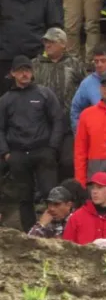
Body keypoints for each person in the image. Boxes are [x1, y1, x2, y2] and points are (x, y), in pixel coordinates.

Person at [0, 55, 64, 232]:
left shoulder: (44, 93)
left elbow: (58, 119)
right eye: (20, 71)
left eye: (27, 70)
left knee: (51, 194)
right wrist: (6, 153)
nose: (24, 74)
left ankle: (56, 230)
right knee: (24, 197)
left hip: (43, 151)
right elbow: (0, 128)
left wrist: (53, 147)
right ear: (13, 73)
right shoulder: (5, 100)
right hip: (18, 154)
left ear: (32, 72)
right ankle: (30, 234)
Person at [0, 0, 62, 92]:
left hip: (36, 57)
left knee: (37, 94)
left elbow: (55, 27)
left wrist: (48, 50)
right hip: (6, 58)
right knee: (5, 96)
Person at [32, 28, 85, 182]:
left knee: (68, 162)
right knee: (45, 161)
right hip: (43, 124)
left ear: (63, 44)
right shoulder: (35, 64)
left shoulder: (75, 64)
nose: (47, 45)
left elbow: (86, 88)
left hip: (67, 124)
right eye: (45, 42)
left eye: (52, 42)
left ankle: (66, 192)